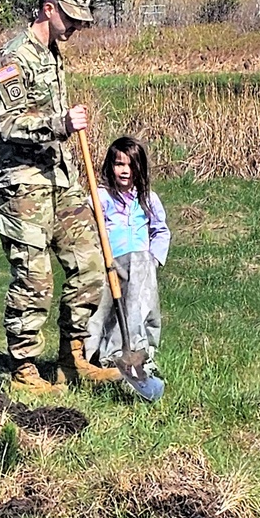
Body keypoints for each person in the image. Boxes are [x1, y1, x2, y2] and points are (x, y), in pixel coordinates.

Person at [0, 0, 121, 393]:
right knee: (35, 278)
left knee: (91, 262)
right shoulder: (14, 58)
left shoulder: (52, 54)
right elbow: (8, 124)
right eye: (72, 18)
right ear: (49, 9)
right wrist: (59, 123)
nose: (78, 27)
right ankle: (24, 370)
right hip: (21, 184)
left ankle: (72, 357)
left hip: (60, 178)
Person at [85, 136, 170, 379]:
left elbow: (161, 231)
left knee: (138, 307)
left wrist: (153, 260)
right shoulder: (101, 197)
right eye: (119, 164)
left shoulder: (147, 198)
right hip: (108, 264)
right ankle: (91, 358)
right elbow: (86, 229)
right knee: (100, 312)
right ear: (110, 166)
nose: (125, 171)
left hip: (141, 267)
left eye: (131, 165)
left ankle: (136, 352)